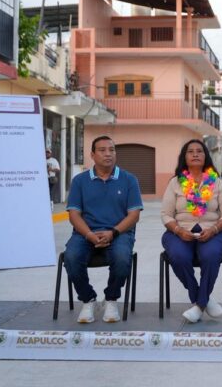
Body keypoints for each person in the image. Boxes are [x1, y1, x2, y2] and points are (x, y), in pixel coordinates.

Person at [63, 136, 143, 323]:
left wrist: (113, 233)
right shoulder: (80, 181)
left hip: (119, 233)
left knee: (122, 258)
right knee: (71, 257)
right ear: (92, 154)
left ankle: (111, 299)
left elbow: (134, 215)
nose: (108, 154)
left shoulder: (129, 179)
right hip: (85, 233)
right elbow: (74, 215)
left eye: (112, 150)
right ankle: (88, 300)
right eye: (102, 150)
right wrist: (89, 234)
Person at [161, 139, 222, 323]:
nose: (195, 154)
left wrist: (215, 229)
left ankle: (199, 305)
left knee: (210, 255)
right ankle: (203, 300)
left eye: (199, 151)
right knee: (178, 255)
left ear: (205, 156)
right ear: (184, 157)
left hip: (213, 232)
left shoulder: (215, 182)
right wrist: (177, 230)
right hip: (180, 231)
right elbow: (166, 215)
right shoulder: (175, 183)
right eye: (190, 151)